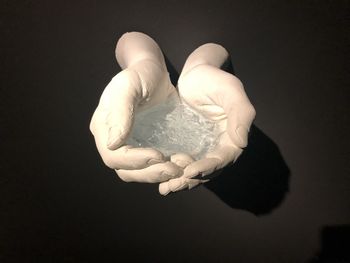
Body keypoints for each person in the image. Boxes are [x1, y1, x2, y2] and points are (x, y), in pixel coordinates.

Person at [89, 32, 256, 195]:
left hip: (231, 175)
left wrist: (203, 64)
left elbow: (220, 49)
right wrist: (143, 62)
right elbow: (129, 42)